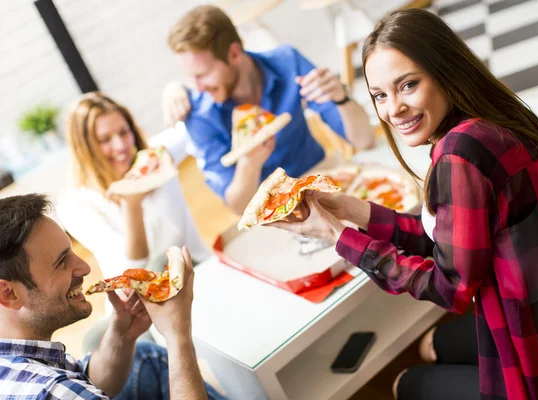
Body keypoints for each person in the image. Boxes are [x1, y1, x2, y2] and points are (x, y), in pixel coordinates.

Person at [273, 9, 538, 400]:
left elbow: (452, 288)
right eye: (380, 95)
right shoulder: (498, 118)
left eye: (408, 85)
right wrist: (354, 211)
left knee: (404, 382)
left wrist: (338, 236)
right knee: (431, 344)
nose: (393, 109)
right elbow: (457, 242)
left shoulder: (459, 155)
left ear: (444, 71)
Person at [0, 193, 224, 399]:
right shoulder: (52, 392)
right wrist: (178, 336)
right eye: (61, 262)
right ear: (8, 294)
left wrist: (122, 336)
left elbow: (89, 381)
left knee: (144, 356)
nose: (85, 268)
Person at [163, 5, 375, 214]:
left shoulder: (287, 62)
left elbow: (364, 140)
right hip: (271, 212)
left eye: (202, 74)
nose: (197, 86)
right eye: (190, 77)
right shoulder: (198, 116)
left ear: (234, 53)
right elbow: (237, 206)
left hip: (322, 179)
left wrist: (341, 98)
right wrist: (249, 164)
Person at [58, 92, 211, 280]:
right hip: (139, 299)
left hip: (199, 271)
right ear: (84, 148)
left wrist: (178, 91)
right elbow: (132, 268)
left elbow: (198, 119)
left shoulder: (156, 159)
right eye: (105, 140)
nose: (121, 145)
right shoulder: (75, 204)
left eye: (123, 132)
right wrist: (132, 204)